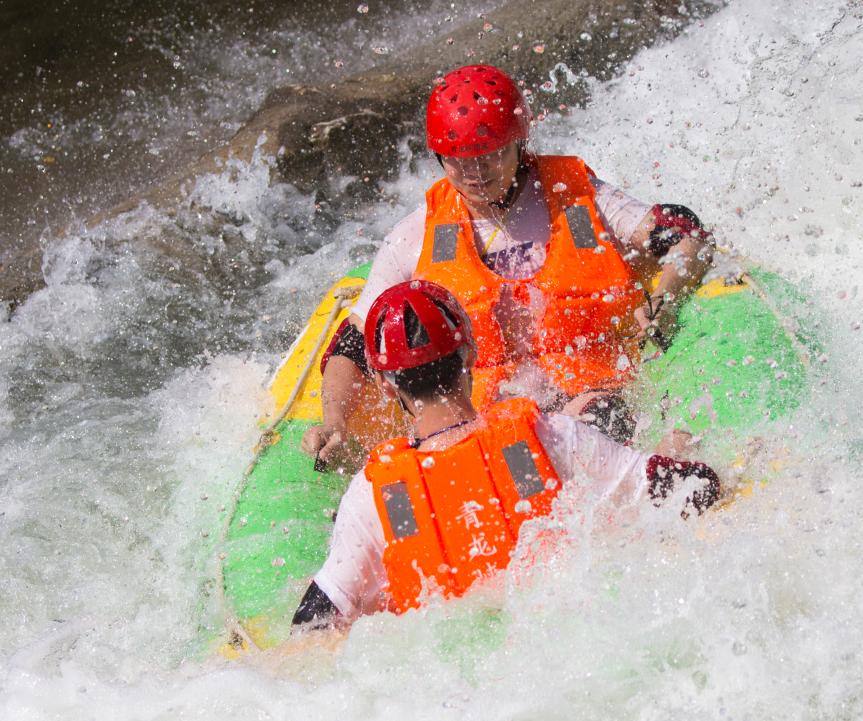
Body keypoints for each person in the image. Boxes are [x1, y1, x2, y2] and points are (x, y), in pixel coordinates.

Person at [302, 63, 714, 466]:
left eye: (489, 155)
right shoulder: (417, 234)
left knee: (588, 435)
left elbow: (684, 234)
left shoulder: (575, 194)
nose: (475, 173)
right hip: (478, 420)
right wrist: (334, 422)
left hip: (592, 396)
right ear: (438, 158)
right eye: (459, 160)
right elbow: (354, 343)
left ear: (519, 143)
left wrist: (667, 295)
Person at [292, 281, 720, 628]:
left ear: (386, 386)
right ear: (472, 355)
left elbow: (312, 628)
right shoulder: (551, 438)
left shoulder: (374, 496)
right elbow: (695, 490)